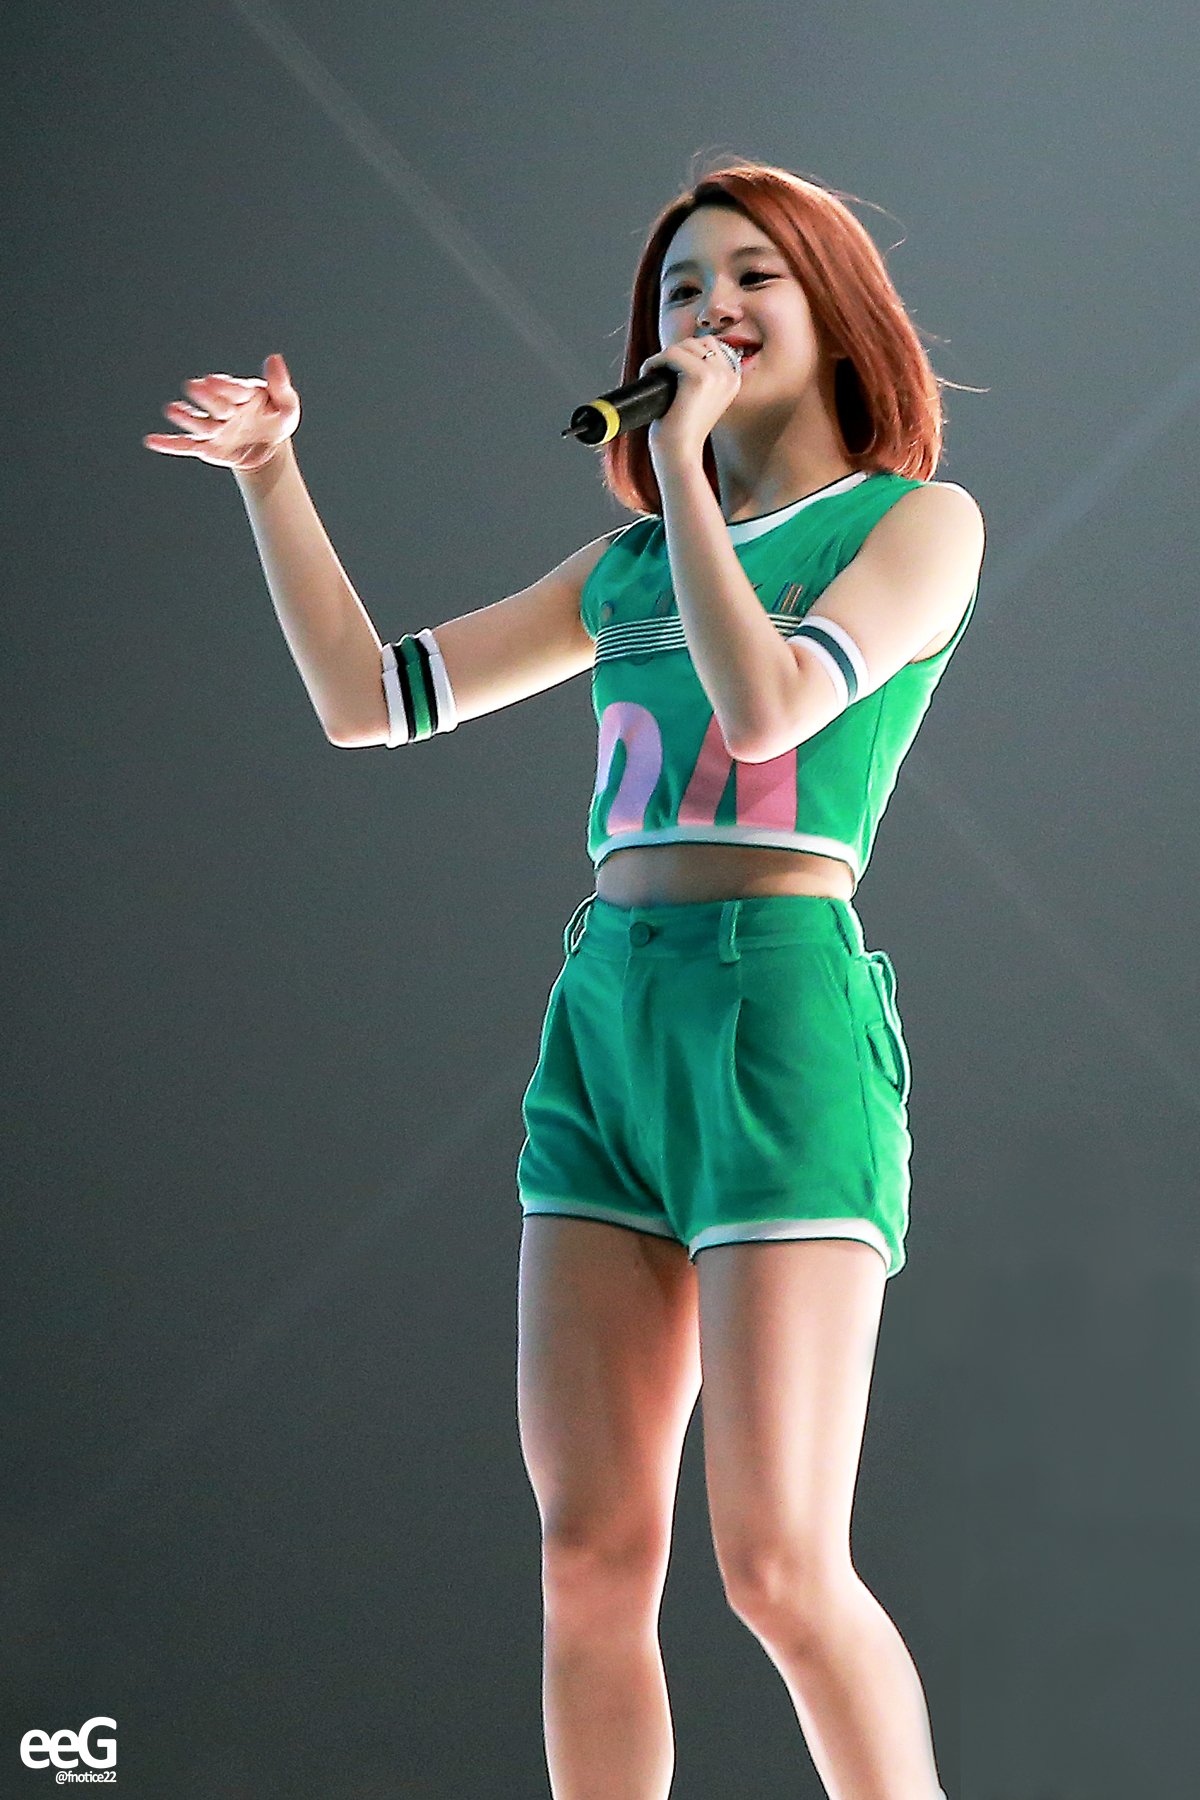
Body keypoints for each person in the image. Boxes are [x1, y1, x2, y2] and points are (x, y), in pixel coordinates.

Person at [144, 157, 983, 1800]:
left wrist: (680, 477)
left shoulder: (912, 526)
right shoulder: (625, 572)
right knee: (590, 1556)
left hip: (778, 1016)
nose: (711, 310)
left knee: (777, 1565)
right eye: (681, 289)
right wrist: (271, 474)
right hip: (606, 1015)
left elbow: (767, 709)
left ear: (836, 313)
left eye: (753, 278)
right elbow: (372, 701)